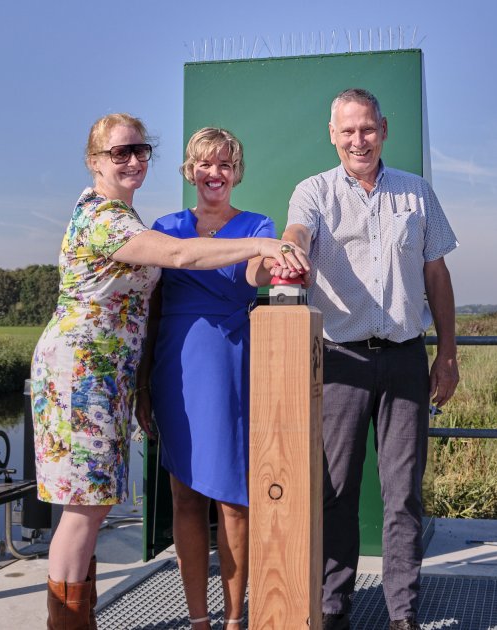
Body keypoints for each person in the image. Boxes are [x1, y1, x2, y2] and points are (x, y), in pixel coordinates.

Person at [31, 113, 308, 630]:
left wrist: (278, 248)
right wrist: (263, 245)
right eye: (119, 152)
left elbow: (243, 274)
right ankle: (70, 623)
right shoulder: (107, 219)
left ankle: (95, 619)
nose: (133, 160)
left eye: (140, 151)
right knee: (86, 508)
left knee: (97, 505)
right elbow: (179, 256)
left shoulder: (129, 219)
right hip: (83, 374)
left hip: (113, 374)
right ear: (94, 161)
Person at [274, 88, 459, 630]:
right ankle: (334, 612)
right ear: (332, 134)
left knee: (403, 498)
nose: (359, 140)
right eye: (348, 131)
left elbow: (437, 277)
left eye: (368, 129)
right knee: (336, 494)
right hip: (339, 361)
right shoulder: (313, 192)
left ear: (384, 129)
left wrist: (446, 355)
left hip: (404, 360)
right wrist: (288, 249)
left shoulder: (417, 193)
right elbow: (297, 233)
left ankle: (403, 616)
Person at [137, 128, 280, 629]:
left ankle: (235, 620)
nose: (214, 173)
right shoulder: (165, 227)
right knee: (184, 497)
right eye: (204, 164)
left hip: (231, 368)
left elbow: (257, 274)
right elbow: (152, 312)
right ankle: (199, 620)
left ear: (235, 171)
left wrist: (273, 257)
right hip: (174, 370)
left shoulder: (258, 225)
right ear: (189, 170)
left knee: (235, 501)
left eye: (223, 164)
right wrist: (140, 387)